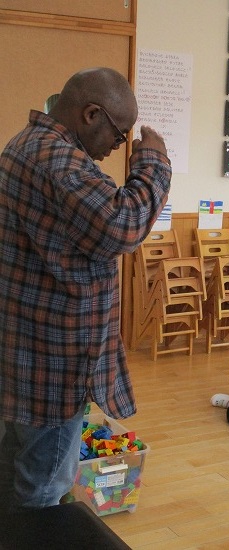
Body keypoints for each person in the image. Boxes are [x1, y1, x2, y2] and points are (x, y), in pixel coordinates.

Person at [0, 67, 172, 513]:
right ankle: (36, 539)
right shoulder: (59, 161)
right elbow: (123, 226)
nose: (119, 145)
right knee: (45, 486)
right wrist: (154, 164)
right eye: (119, 133)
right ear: (91, 114)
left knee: (19, 471)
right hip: (54, 364)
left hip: (28, 349)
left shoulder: (25, 145)